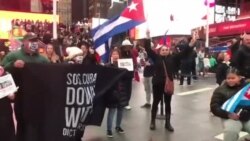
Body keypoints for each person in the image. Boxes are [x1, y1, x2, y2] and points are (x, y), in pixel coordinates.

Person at [1, 32, 49, 141]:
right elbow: (2, 70)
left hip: (38, 99)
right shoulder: (13, 55)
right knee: (22, 123)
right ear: (24, 42)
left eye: (36, 41)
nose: (34, 43)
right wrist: (13, 65)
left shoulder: (42, 59)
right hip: (21, 97)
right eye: (31, 41)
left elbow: (51, 73)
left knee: (38, 123)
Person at [144, 31, 174, 131]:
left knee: (168, 103)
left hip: (168, 85)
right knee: (155, 102)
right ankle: (152, 121)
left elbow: (183, 54)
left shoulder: (172, 59)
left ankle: (168, 123)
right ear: (160, 51)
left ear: (169, 51)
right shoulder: (156, 57)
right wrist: (148, 37)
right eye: (163, 50)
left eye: (166, 50)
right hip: (157, 84)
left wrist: (191, 44)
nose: (165, 51)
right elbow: (148, 49)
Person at [210, 68, 250, 141]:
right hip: (229, 116)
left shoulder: (247, 87)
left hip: (246, 116)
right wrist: (228, 114)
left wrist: (248, 112)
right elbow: (214, 107)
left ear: (240, 77)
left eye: (233, 78)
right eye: (228, 78)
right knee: (231, 131)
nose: (230, 80)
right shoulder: (220, 90)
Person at [105, 49, 129, 137]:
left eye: (117, 54)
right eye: (114, 54)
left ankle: (118, 126)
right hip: (112, 92)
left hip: (121, 90)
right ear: (111, 56)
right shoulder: (108, 66)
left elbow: (127, 77)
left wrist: (128, 70)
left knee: (120, 109)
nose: (115, 55)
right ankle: (109, 129)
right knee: (112, 110)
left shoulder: (123, 65)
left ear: (119, 56)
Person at [0, 66, 15, 141]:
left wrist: (11, 94)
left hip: (4, 108)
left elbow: (13, 97)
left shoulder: (5, 74)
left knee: (6, 128)